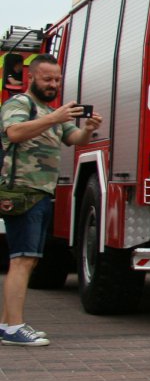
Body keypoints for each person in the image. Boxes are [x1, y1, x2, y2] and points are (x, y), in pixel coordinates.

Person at [1, 54, 101, 346]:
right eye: (47, 79)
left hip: (41, 193)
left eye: (57, 79)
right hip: (22, 191)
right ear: (31, 77)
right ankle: (14, 328)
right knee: (22, 259)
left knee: (27, 259)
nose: (53, 84)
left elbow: (76, 139)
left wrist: (89, 129)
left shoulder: (50, 111)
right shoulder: (20, 104)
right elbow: (14, 132)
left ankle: (9, 323)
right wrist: (53, 118)